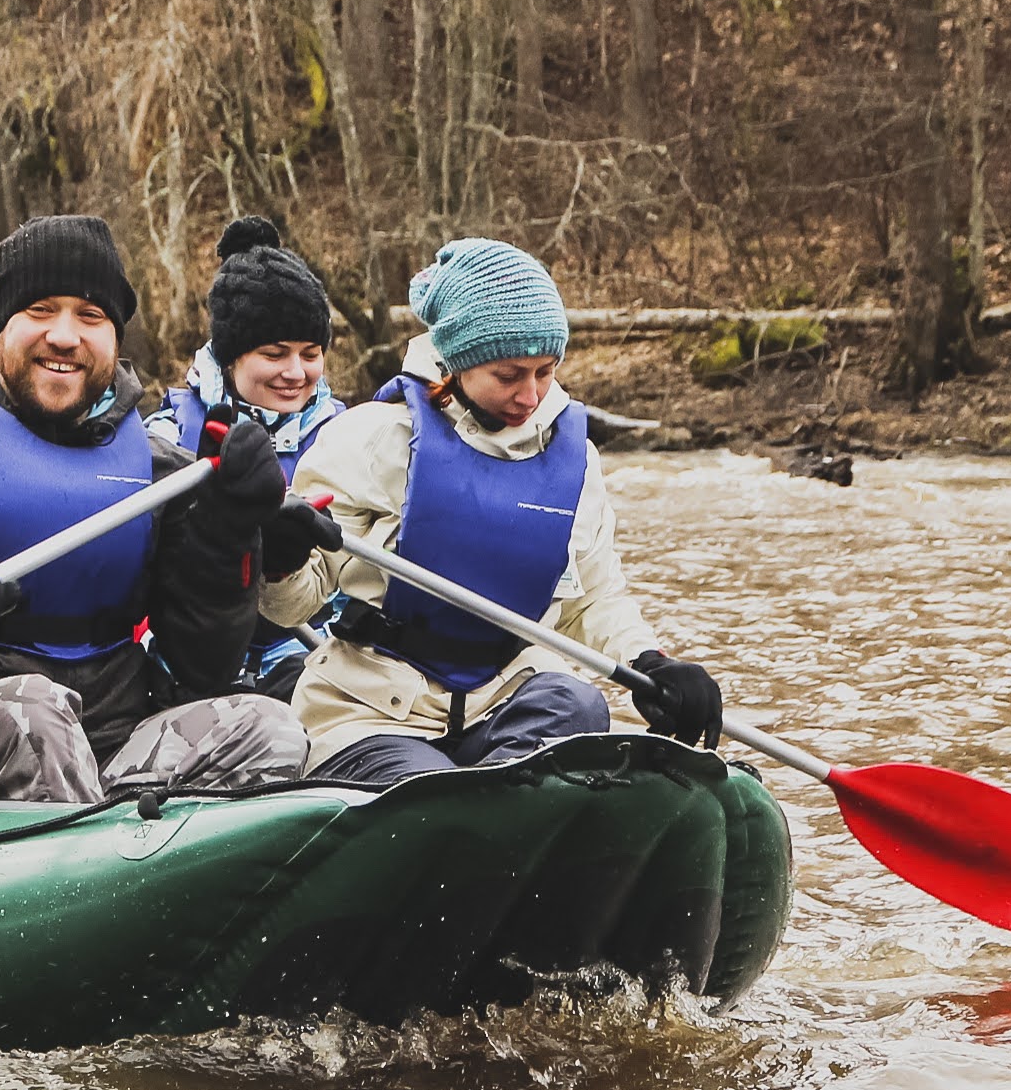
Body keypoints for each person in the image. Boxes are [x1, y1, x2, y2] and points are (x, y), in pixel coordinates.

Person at [0, 214, 323, 813]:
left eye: (90, 317)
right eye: (41, 310)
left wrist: (230, 536)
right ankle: (95, 873)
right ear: (0, 328)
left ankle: (142, 866)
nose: (65, 336)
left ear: (115, 339)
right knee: (31, 714)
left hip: (103, 749)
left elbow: (204, 668)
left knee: (269, 729)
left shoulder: (160, 471)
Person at [256, 238, 722, 787]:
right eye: (509, 375)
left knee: (580, 706)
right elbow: (293, 607)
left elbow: (593, 597)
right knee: (426, 786)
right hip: (374, 708)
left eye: (545, 372)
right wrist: (279, 563)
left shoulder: (575, 461)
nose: (531, 395)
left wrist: (651, 663)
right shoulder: (370, 439)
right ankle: (469, 814)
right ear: (457, 361)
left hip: (507, 695)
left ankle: (510, 816)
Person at [148, 215, 349, 696]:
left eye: (310, 352)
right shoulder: (170, 432)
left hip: (315, 654)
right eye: (274, 353)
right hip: (194, 658)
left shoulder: (348, 434)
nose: (296, 372)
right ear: (231, 355)